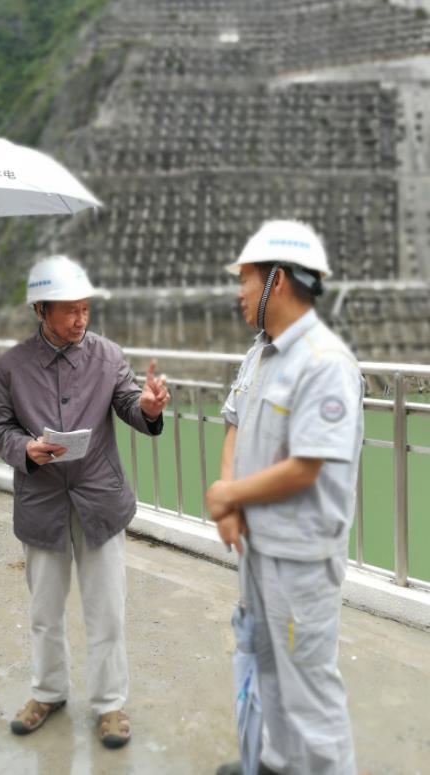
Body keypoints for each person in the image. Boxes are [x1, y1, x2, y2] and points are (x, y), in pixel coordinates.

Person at [0, 255, 169, 749]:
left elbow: (130, 404)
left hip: (99, 501)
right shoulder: (11, 366)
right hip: (41, 502)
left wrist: (148, 408)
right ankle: (48, 692)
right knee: (45, 611)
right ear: (40, 309)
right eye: (69, 311)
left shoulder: (108, 356)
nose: (80, 320)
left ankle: (110, 704)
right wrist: (25, 448)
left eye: (85, 309)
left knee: (107, 609)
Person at [206, 221, 364, 775]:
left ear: (277, 280)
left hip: (299, 558)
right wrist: (230, 505)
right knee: (267, 666)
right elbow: (234, 421)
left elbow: (306, 466)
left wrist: (227, 493)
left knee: (310, 692)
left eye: (246, 280)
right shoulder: (260, 354)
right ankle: (275, 763)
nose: (239, 292)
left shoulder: (325, 363)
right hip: (258, 547)